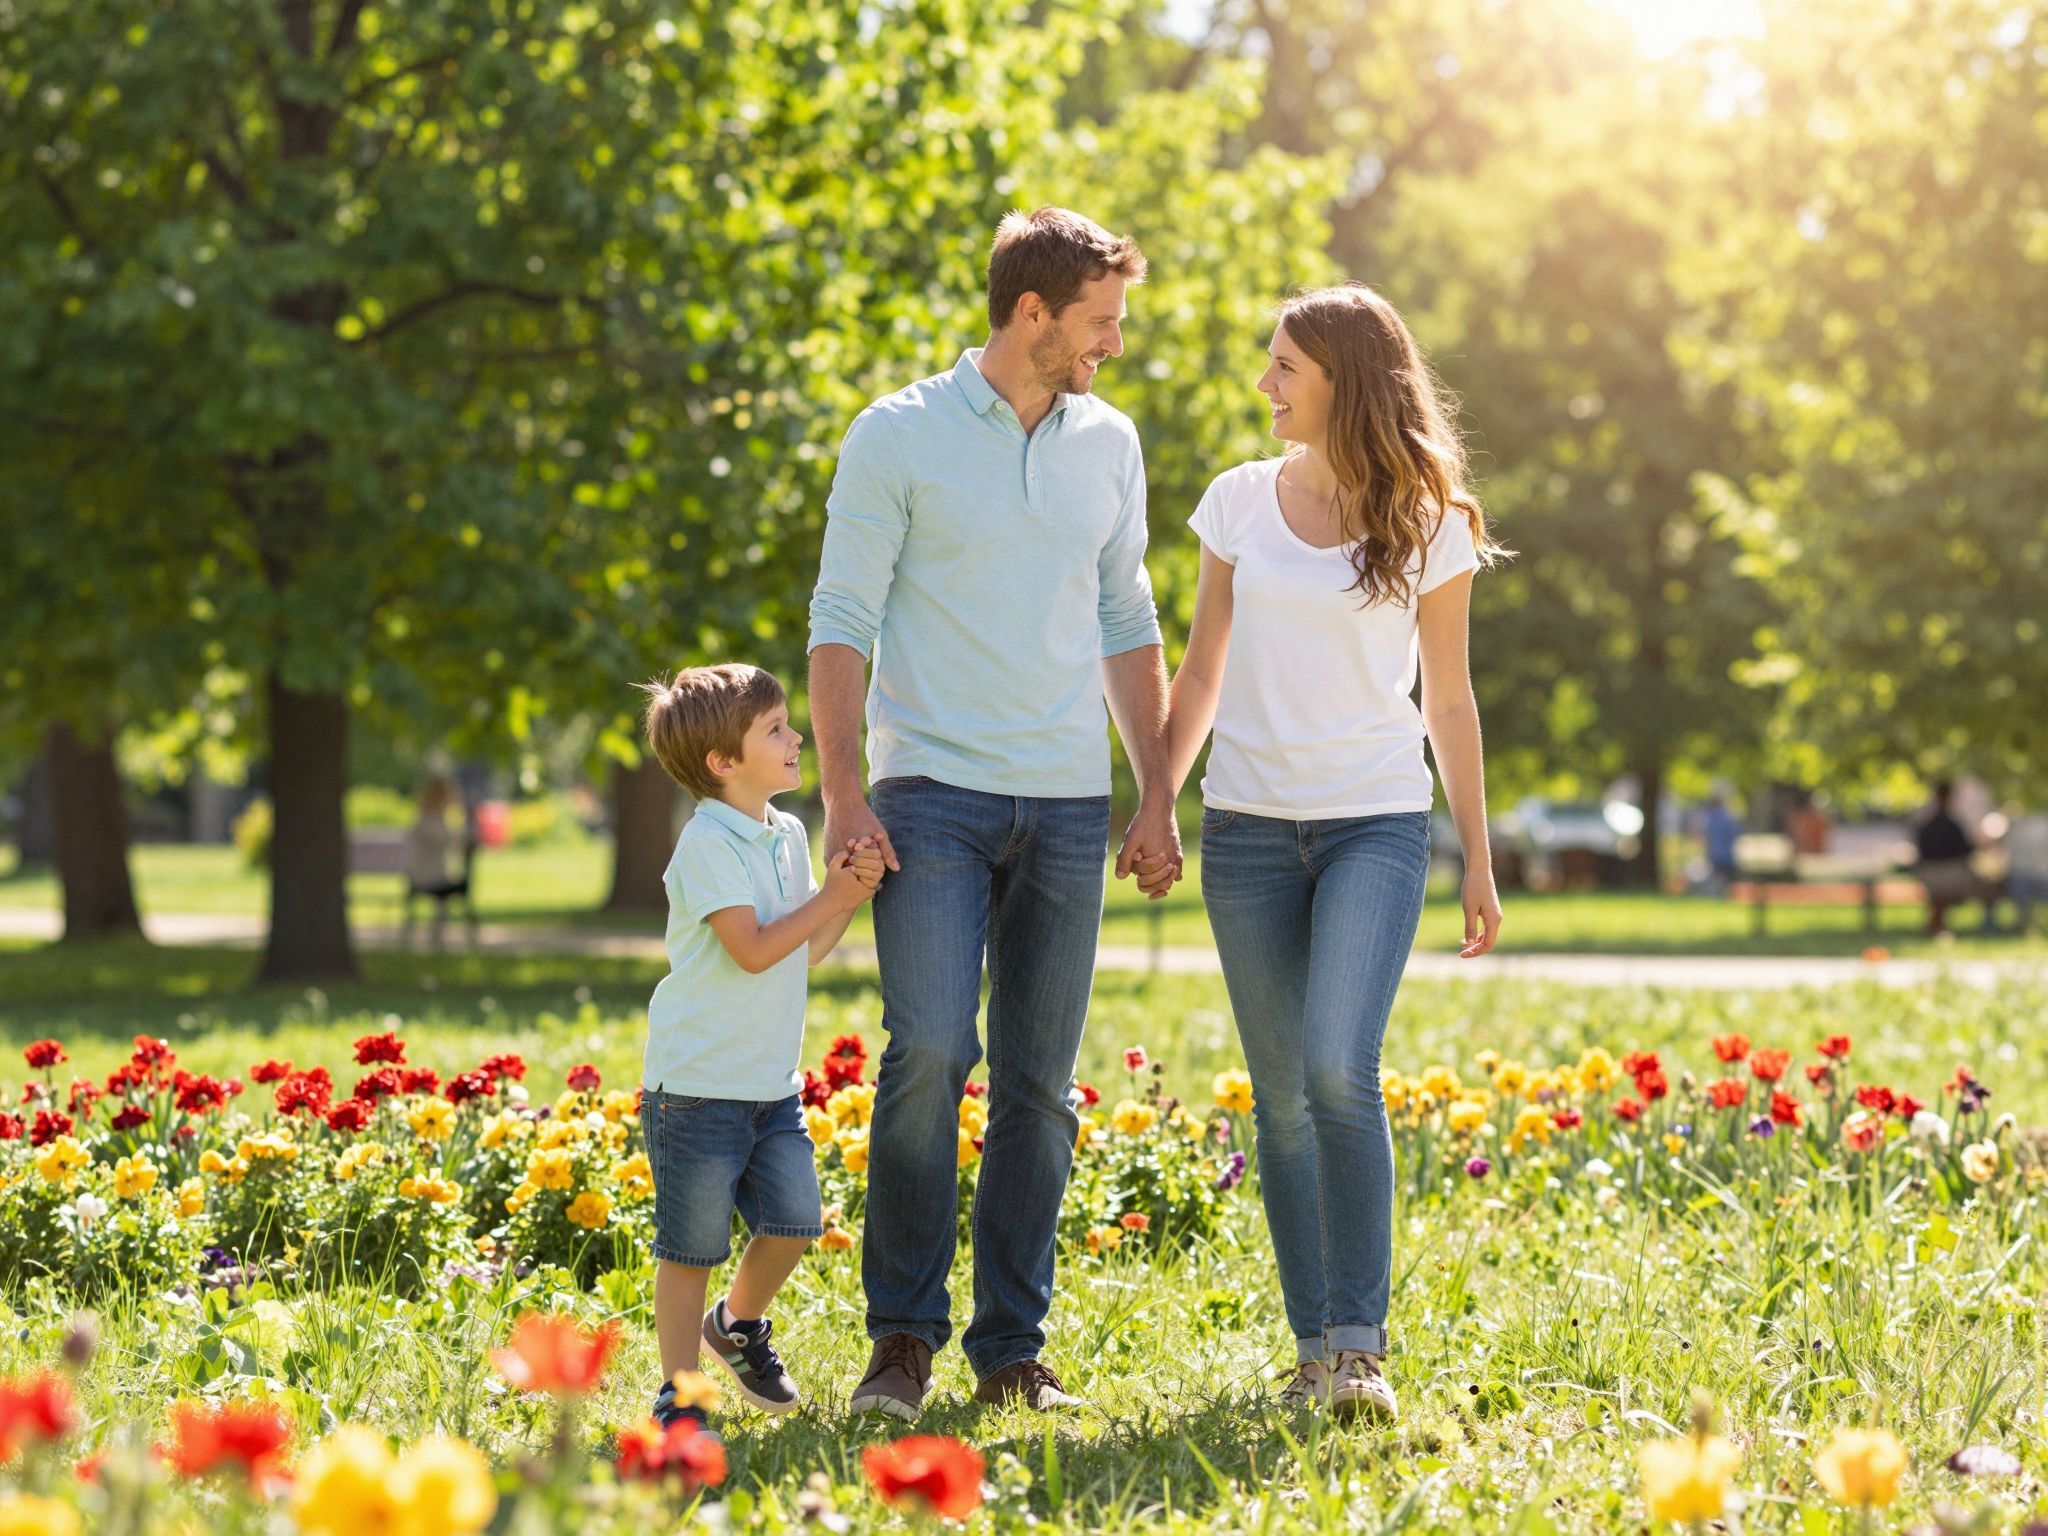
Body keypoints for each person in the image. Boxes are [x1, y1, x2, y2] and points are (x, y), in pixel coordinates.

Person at [808, 207, 1173, 1418]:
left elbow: (1126, 617)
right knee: (927, 1053)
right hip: (930, 797)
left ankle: (1011, 1349)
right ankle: (899, 1342)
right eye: (1099, 322)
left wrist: (1155, 791)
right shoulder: (896, 433)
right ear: (1031, 314)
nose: (1111, 344)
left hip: (1066, 802)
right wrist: (843, 795)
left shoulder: (1108, 442)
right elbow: (841, 622)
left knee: (1037, 1085)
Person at [1156, 283, 1504, 1422]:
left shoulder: (1431, 516)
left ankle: (1360, 1350)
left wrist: (1478, 857)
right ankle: (1310, 1350)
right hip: (1246, 830)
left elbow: (1448, 698)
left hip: (1374, 823)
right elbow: (1200, 671)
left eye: (1284, 368)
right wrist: (1156, 798)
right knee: (1280, 1099)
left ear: (1343, 381)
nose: (1264, 384)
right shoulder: (1236, 503)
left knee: (1337, 1069)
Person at [633, 663, 884, 1432]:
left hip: (771, 1087)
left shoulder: (788, 835)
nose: (796, 736)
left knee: (796, 1221)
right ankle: (680, 1394)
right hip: (697, 1090)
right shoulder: (706, 844)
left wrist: (849, 896)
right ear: (722, 762)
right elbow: (750, 949)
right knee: (691, 1251)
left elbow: (801, 949)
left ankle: (735, 1326)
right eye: (775, 729)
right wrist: (831, 897)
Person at [1914, 780, 1985, 935]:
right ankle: (1936, 924)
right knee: (1948, 889)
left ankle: (1936, 924)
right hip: (1943, 871)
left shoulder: (1934, 823)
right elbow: (1964, 850)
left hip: (1937, 871)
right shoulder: (1940, 824)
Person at [2001, 804, 2048, 935]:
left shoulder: (2042, 824)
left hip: (2042, 876)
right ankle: (2024, 924)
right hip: (2021, 876)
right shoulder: (2014, 826)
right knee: (2020, 891)